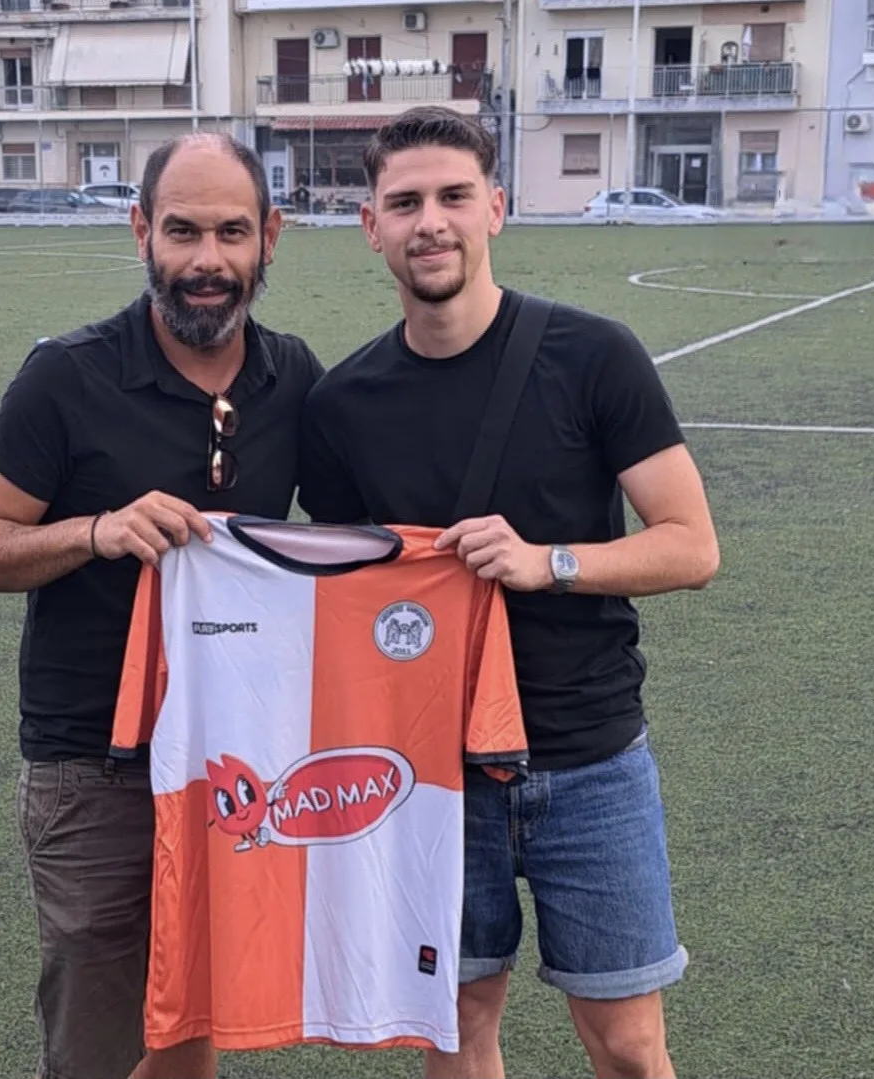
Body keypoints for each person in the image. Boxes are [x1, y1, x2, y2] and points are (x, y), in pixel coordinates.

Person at [297, 105, 720, 1079]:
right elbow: (350, 596)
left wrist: (548, 561)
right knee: (455, 1027)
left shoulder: (594, 355)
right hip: (433, 775)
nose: (430, 222)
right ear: (370, 226)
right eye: (404, 203)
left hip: (589, 759)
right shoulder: (341, 405)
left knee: (628, 1043)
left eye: (453, 196)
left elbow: (691, 545)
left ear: (494, 207)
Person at [0, 133, 323, 1079]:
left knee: (196, 1016)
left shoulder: (293, 379)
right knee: (99, 1049)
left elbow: (358, 542)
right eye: (183, 231)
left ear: (270, 236)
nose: (207, 260)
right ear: (141, 230)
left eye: (231, 232)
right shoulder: (67, 376)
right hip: (94, 767)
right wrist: (96, 530)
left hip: (233, 757)